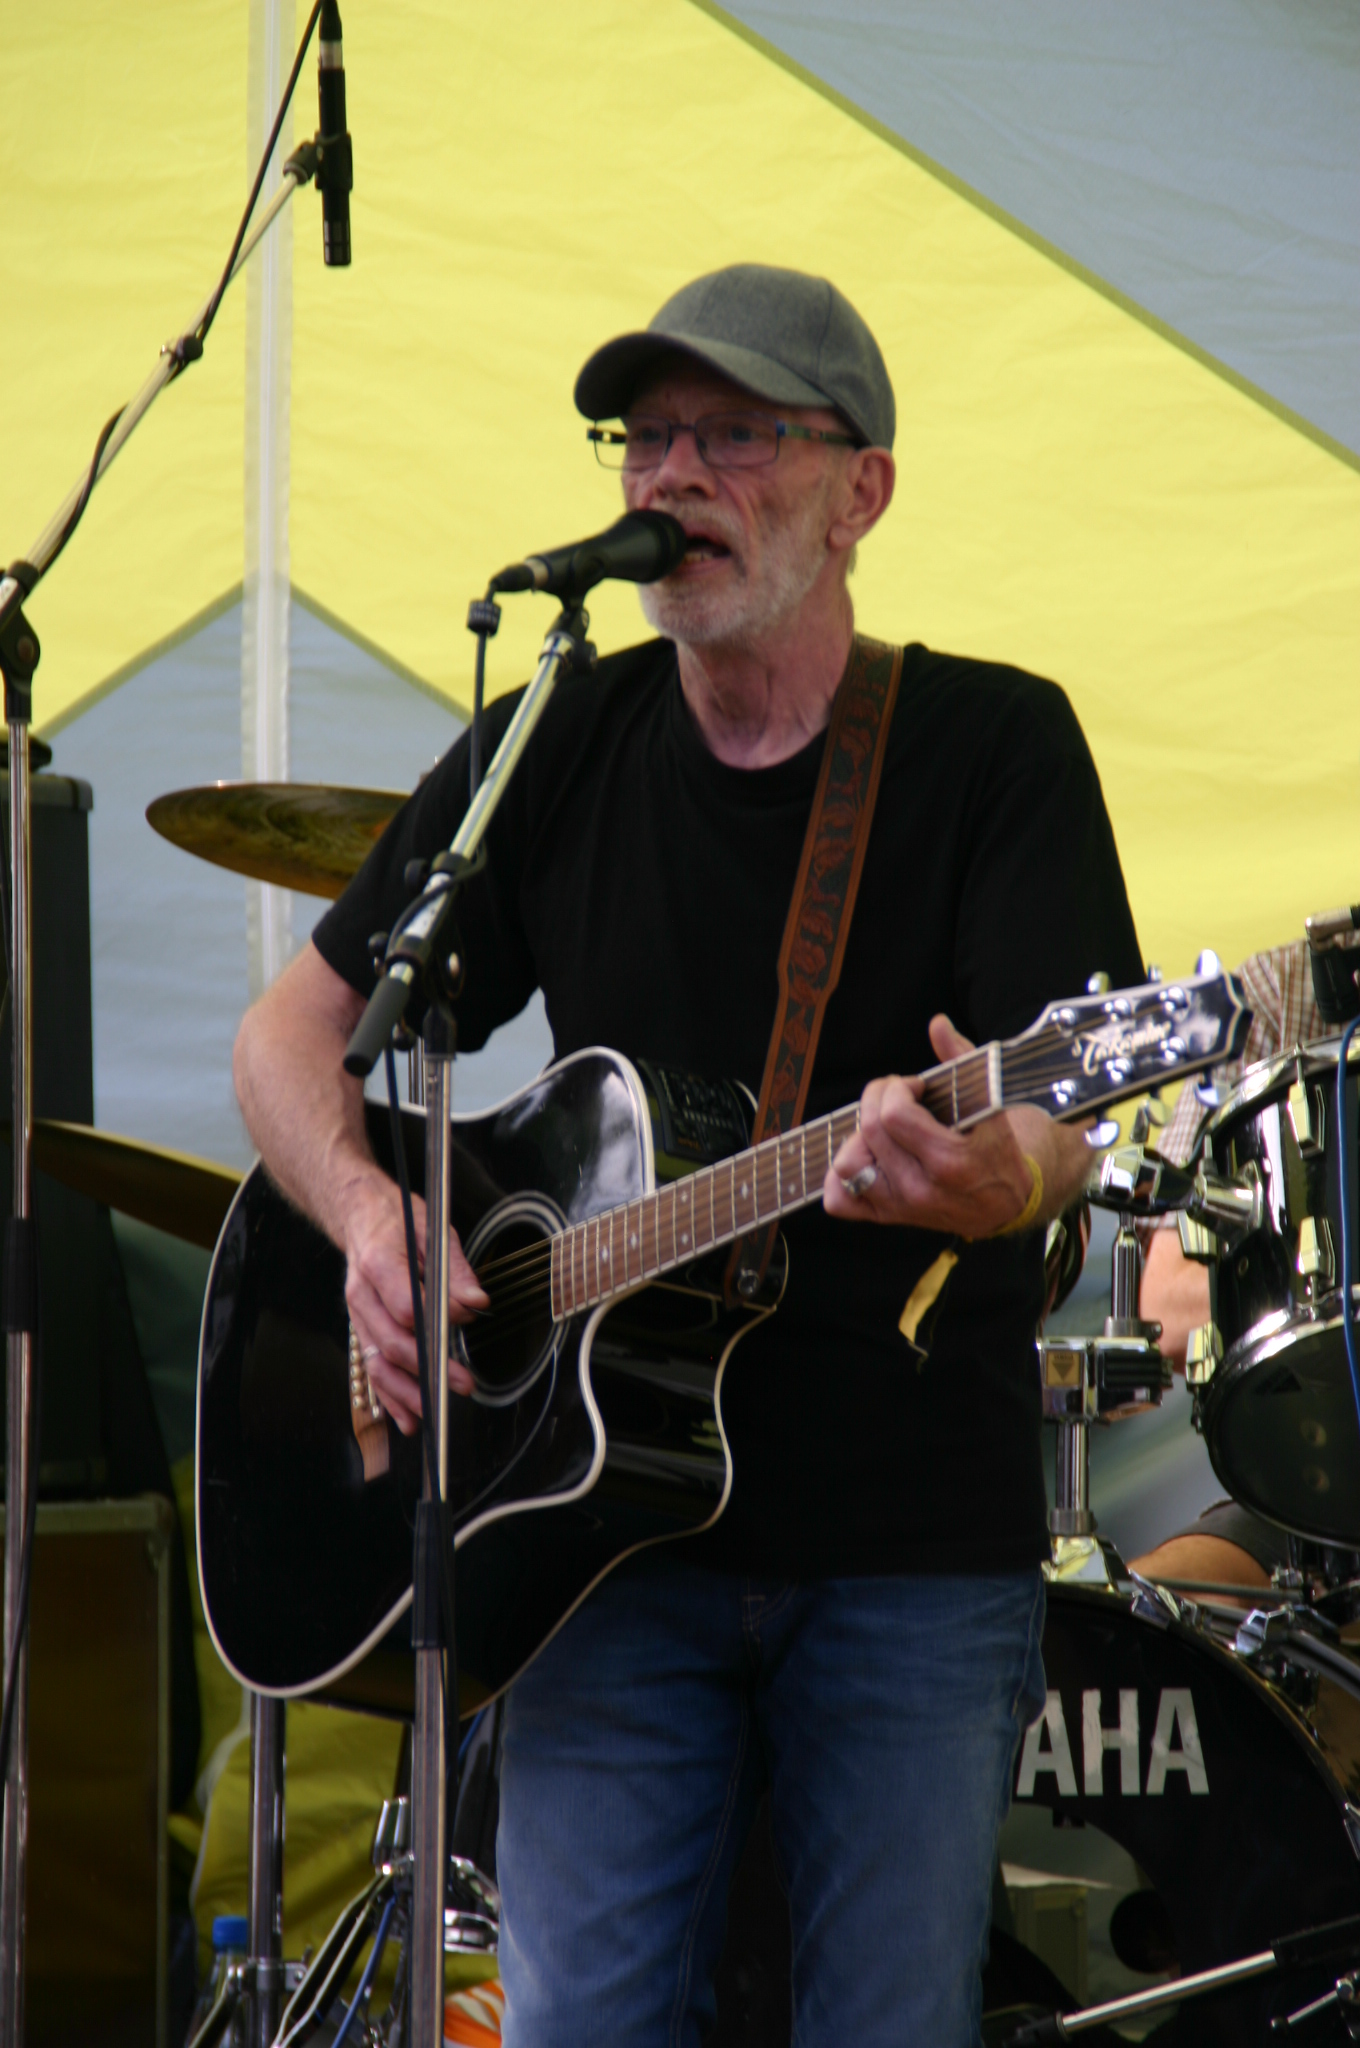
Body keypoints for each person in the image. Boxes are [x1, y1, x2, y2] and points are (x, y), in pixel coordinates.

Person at [233, 263, 1144, 2046]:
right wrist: (368, 1215)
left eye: (733, 434)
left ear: (860, 489)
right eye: (647, 437)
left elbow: (1067, 1107)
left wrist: (1004, 1178)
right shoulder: (557, 740)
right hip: (596, 1553)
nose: (671, 476)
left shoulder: (989, 746)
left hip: (901, 1542)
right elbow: (288, 1039)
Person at [1131, 939, 1325, 1595]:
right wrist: (1327, 1288)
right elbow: (1164, 1303)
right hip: (1315, 1502)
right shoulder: (1275, 995)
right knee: (1140, 1614)